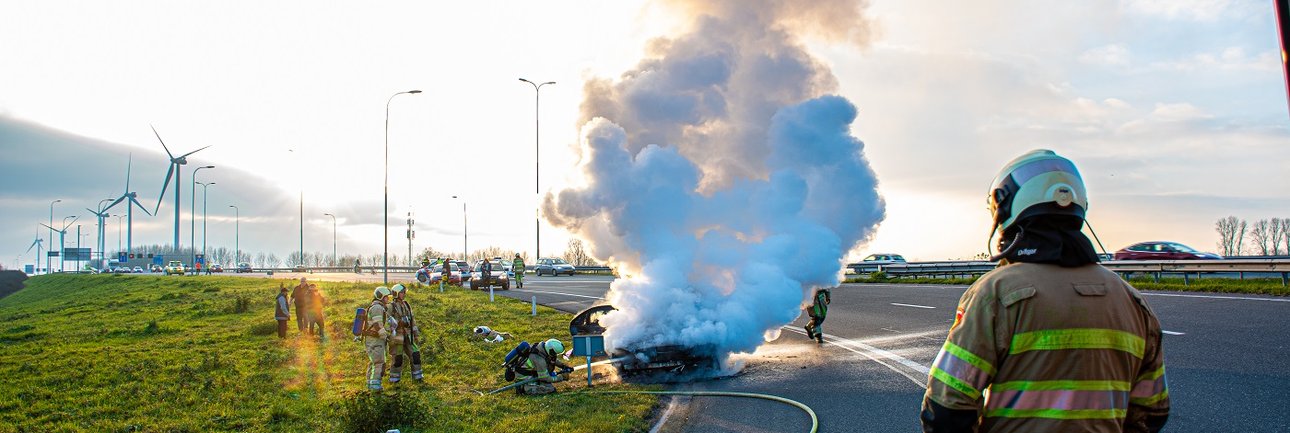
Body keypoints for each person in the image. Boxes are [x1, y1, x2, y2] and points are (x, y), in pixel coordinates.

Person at [920, 149, 1169, 433]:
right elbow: (1152, 412)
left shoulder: (997, 293)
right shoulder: (1132, 300)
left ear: (1006, 205)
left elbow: (947, 407)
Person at [386, 284, 424, 383]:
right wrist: (397, 324)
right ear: (396, 294)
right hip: (397, 337)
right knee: (398, 359)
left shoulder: (406, 304)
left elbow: (412, 321)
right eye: (402, 292)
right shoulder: (390, 307)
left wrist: (416, 334)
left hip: (408, 335)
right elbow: (386, 321)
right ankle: (394, 380)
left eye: (404, 292)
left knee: (415, 355)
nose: (404, 294)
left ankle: (418, 378)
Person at [361, 286, 394, 391]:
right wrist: (385, 336)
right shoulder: (377, 308)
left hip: (374, 339)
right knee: (379, 362)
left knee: (374, 362)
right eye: (386, 297)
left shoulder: (379, 307)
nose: (388, 299)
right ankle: (375, 386)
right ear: (381, 296)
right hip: (375, 339)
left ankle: (370, 384)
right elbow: (377, 325)